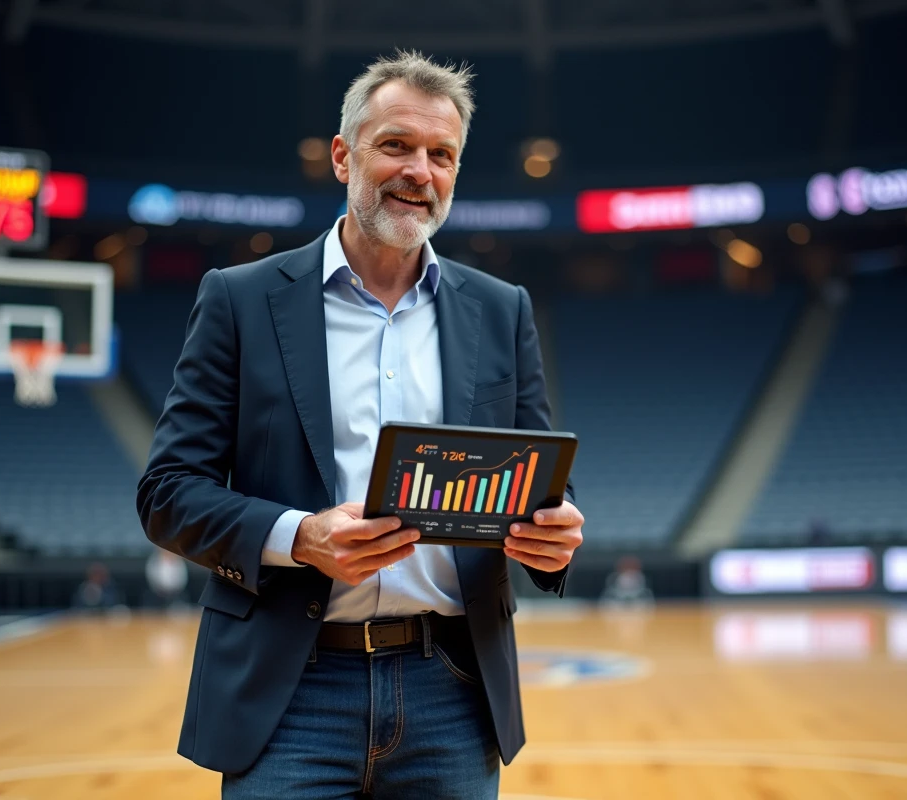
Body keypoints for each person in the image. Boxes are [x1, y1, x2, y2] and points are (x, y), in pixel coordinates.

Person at [137, 51, 583, 799]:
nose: (421, 171)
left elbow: (533, 478)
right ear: (344, 155)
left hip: (452, 688)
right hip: (290, 689)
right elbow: (168, 492)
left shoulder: (501, 309)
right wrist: (299, 537)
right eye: (396, 145)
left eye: (442, 155)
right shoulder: (240, 300)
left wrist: (555, 534)